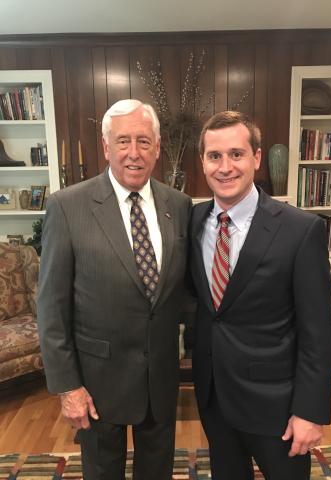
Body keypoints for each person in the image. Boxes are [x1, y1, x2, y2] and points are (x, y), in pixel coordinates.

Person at [37, 99, 192, 480]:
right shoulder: (67, 207)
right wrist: (67, 386)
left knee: (157, 469)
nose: (134, 153)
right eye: (123, 142)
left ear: (157, 148)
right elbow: (51, 307)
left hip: (160, 375)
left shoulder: (181, 205)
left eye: (143, 141)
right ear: (106, 147)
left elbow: (185, 292)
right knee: (103, 472)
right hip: (96, 380)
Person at [189, 111, 331, 480]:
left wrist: (311, 411)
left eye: (236, 154)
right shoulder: (193, 222)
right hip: (215, 398)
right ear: (203, 163)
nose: (225, 167)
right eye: (214, 156)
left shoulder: (301, 231)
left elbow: (319, 331)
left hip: (278, 408)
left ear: (256, 158)